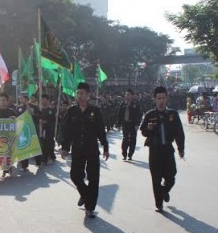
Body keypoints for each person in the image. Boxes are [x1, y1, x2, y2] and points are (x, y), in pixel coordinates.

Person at [60, 83, 109, 218]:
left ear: (88, 94)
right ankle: (85, 194)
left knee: (93, 178)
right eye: (78, 93)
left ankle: (90, 208)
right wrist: (65, 147)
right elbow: (66, 131)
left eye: (82, 93)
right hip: (77, 149)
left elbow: (101, 130)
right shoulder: (71, 111)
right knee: (75, 175)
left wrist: (105, 146)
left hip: (92, 148)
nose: (80, 96)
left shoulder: (95, 111)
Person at [140, 86, 185, 213]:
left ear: (167, 99)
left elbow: (179, 133)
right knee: (156, 179)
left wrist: (181, 148)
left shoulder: (173, 114)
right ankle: (158, 204)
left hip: (167, 151)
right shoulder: (150, 114)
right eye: (158, 98)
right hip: (154, 151)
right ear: (154, 99)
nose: (161, 101)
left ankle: (164, 190)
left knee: (171, 177)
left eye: (163, 98)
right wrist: (149, 129)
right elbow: (143, 131)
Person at [0, 93, 17, 180]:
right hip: (0, 138)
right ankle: (6, 169)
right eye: (1, 100)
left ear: (7, 101)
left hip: (10, 138)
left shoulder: (12, 111)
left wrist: (14, 119)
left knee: (9, 154)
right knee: (1, 155)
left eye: (4, 100)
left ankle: (6, 170)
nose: (2, 102)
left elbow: (17, 124)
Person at [16, 94, 41, 170]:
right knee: (24, 147)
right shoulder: (18, 108)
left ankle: (38, 163)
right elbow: (16, 118)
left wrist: (32, 113)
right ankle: (24, 165)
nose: (21, 100)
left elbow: (39, 117)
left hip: (32, 129)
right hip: (23, 130)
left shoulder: (34, 107)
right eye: (20, 99)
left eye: (22, 98)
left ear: (26, 99)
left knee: (35, 146)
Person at [117, 89, 142, 160]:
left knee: (133, 139)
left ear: (132, 96)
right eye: (126, 94)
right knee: (125, 139)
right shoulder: (122, 104)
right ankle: (124, 154)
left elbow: (139, 115)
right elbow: (120, 115)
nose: (127, 96)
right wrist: (119, 124)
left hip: (133, 124)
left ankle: (130, 154)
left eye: (129, 94)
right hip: (125, 124)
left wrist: (137, 124)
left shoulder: (136, 104)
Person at [40, 94, 57, 164]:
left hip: (48, 130)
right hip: (40, 129)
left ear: (48, 100)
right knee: (42, 144)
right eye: (41, 99)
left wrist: (46, 122)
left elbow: (53, 120)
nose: (42, 101)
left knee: (48, 144)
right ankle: (43, 158)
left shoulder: (51, 110)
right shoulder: (39, 109)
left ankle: (49, 157)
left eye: (44, 99)